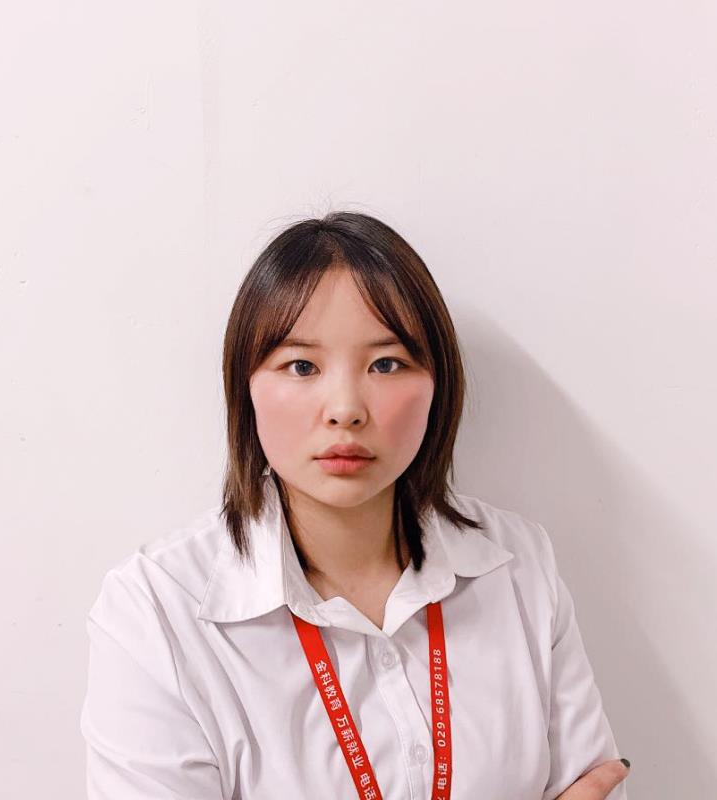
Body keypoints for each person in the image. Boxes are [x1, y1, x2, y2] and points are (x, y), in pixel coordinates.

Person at [80, 211, 631, 799]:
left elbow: (598, 788)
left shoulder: (517, 564)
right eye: (301, 366)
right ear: (246, 387)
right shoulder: (155, 609)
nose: (345, 408)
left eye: (385, 364)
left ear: (437, 384)